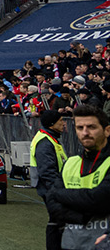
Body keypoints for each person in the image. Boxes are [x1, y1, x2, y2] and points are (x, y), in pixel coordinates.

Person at [47, 104, 110, 250]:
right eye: (80, 128)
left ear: (107, 130)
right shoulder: (71, 163)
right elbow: (51, 204)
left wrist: (59, 194)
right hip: (69, 244)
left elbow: (99, 200)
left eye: (91, 127)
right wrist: (81, 217)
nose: (85, 132)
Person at [34, 107, 73, 250]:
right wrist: (57, 192)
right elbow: (47, 171)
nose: (64, 123)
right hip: (50, 189)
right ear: (51, 124)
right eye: (61, 121)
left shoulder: (50, 138)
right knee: (56, 222)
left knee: (57, 221)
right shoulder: (45, 142)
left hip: (52, 188)